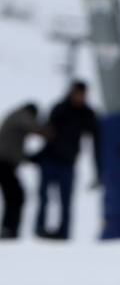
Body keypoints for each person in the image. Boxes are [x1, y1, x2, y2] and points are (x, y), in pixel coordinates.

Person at [35, 80, 101, 240]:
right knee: (44, 197)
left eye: (83, 95)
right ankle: (40, 230)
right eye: (78, 94)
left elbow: (96, 135)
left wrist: (99, 168)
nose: (80, 97)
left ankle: (63, 234)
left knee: (66, 200)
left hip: (68, 163)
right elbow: (48, 132)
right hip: (50, 160)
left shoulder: (86, 113)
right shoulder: (60, 108)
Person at [0, 101, 46, 239]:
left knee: (14, 195)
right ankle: (9, 230)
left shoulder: (14, 116)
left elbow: (14, 147)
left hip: (6, 163)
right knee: (16, 195)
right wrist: (47, 131)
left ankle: (10, 229)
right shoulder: (21, 115)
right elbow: (33, 126)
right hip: (3, 163)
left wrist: (28, 158)